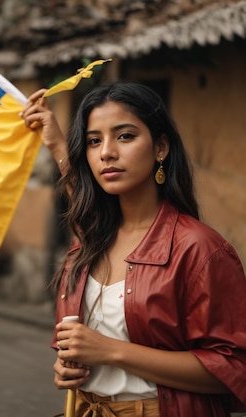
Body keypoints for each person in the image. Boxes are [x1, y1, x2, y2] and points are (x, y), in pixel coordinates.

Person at [20, 82, 246, 416]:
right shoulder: (92, 241)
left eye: (125, 136)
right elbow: (80, 192)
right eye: (94, 141)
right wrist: (70, 368)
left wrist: (111, 351)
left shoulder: (199, 248)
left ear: (161, 147)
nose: (106, 152)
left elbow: (234, 367)